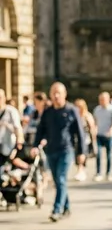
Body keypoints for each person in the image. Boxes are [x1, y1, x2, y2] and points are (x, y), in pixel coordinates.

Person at [32, 82, 86, 222]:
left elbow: (80, 133)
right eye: (53, 93)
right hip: (51, 150)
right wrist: (35, 145)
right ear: (50, 95)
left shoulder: (71, 110)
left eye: (58, 93)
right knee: (58, 181)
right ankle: (66, 206)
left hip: (66, 150)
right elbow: (40, 130)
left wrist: (81, 152)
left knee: (61, 179)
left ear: (64, 94)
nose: (56, 96)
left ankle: (57, 210)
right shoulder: (48, 112)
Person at [93, 92, 112, 181]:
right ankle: (98, 173)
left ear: (108, 99)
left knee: (109, 154)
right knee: (98, 154)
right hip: (99, 134)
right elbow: (96, 121)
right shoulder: (97, 109)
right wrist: (95, 129)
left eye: (103, 99)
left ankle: (108, 173)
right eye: (100, 100)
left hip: (109, 135)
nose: (101, 101)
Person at [72, 98, 96, 182]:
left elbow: (92, 128)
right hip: (75, 139)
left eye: (79, 106)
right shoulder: (74, 116)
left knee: (82, 155)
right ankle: (80, 170)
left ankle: (81, 171)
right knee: (76, 155)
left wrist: (94, 140)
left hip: (85, 139)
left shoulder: (87, 115)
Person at [0, 88, 23, 167]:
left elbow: (18, 128)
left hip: (8, 145)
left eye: (0, 97)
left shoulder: (11, 111)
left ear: (4, 98)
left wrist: (19, 142)